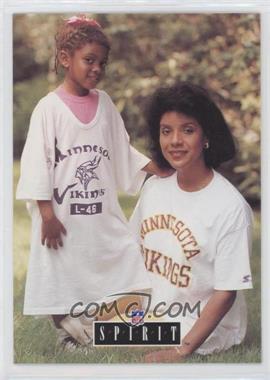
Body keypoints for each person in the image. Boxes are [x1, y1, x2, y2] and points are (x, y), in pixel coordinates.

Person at [16, 15, 168, 350]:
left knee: (125, 254)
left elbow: (121, 151)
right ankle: (67, 333)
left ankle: (98, 327)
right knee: (62, 270)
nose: (97, 68)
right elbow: (37, 162)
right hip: (60, 216)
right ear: (65, 59)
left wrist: (154, 168)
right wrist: (46, 214)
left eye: (102, 62)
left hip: (99, 212)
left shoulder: (105, 104)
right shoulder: (49, 109)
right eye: (89, 60)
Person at [129, 82, 253, 362]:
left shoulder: (230, 207)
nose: (174, 141)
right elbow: (131, 249)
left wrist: (179, 351)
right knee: (91, 326)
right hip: (155, 313)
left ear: (206, 136)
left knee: (101, 336)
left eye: (187, 130)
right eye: (166, 131)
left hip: (201, 325)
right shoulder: (155, 188)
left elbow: (226, 292)